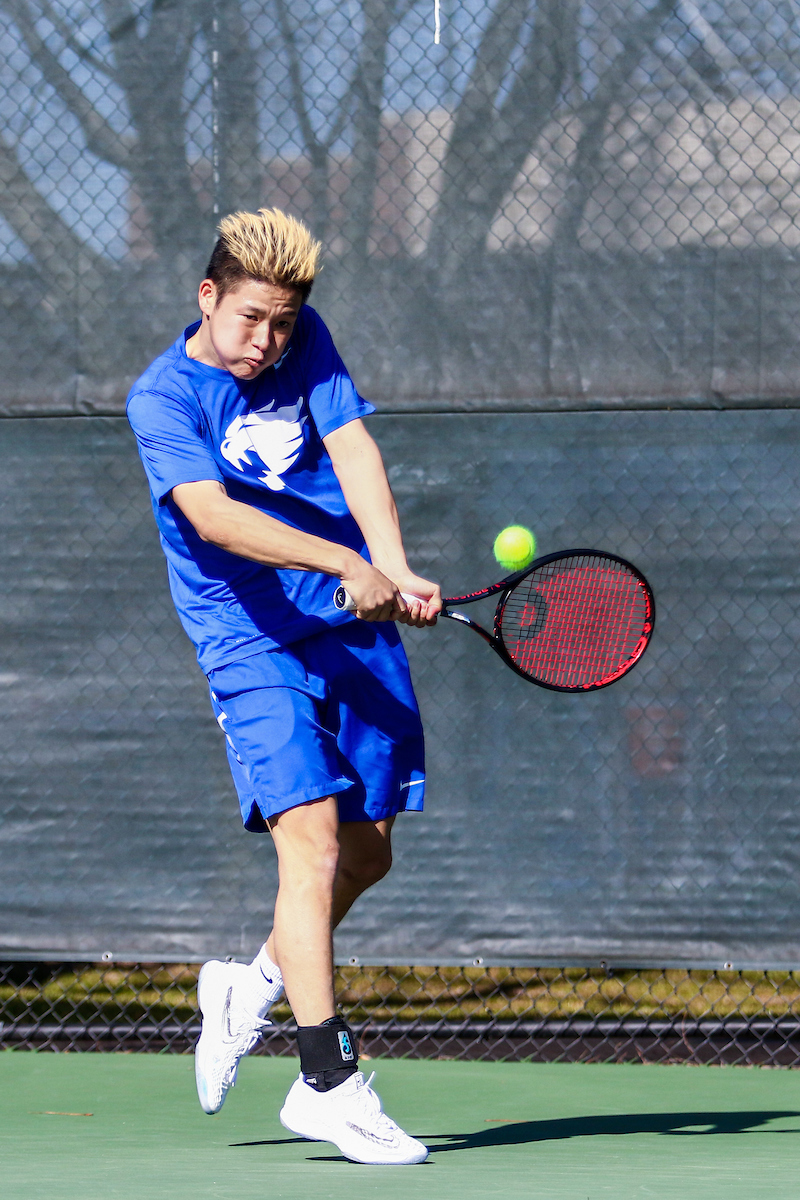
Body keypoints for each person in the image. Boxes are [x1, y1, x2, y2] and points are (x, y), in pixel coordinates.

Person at [126, 207, 441, 1166]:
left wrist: (392, 569)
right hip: (248, 639)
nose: (266, 343)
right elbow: (214, 519)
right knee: (305, 850)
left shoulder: (307, 346)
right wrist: (347, 559)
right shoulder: (162, 399)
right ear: (207, 296)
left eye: (284, 325)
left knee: (369, 851)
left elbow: (353, 452)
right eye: (250, 319)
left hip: (352, 623)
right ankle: (329, 1082)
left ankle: (250, 982)